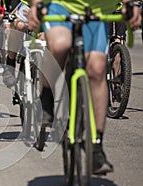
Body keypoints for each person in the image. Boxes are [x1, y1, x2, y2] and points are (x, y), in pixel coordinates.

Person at [27, 0, 141, 175]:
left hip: (97, 8)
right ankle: (47, 98)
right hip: (61, 5)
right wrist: (36, 5)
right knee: (60, 45)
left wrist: (129, 4)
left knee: (96, 69)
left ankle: (96, 146)